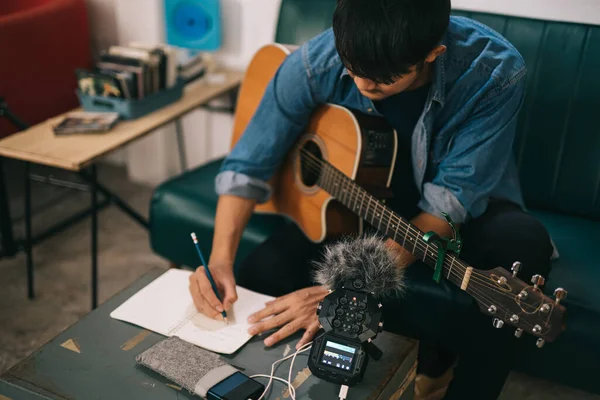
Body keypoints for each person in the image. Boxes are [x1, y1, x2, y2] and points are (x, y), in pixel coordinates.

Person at [188, 0, 555, 398]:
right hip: (358, 204)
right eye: (352, 69)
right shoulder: (321, 58)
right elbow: (248, 166)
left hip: (459, 209)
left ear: (433, 54)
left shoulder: (493, 71)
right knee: (260, 272)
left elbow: (446, 207)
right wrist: (220, 259)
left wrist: (341, 292)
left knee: (522, 240)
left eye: (380, 81)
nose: (363, 84)